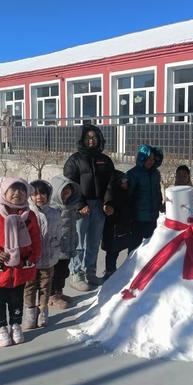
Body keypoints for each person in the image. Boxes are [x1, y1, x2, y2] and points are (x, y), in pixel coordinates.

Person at [0, 177, 41, 347]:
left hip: (20, 269)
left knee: (16, 300)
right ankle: (1, 328)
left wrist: (32, 258)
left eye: (21, 190)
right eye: (13, 190)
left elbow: (36, 240)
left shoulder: (30, 216)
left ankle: (15, 325)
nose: (17, 194)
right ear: (4, 192)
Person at [63, 124, 115, 291]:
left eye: (94, 137)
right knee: (78, 242)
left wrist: (108, 202)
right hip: (81, 207)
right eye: (88, 137)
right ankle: (76, 274)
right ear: (82, 139)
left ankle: (90, 272)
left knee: (93, 241)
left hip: (99, 206)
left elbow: (110, 184)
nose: (91, 140)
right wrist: (80, 204)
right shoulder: (74, 160)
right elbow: (69, 184)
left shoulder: (105, 160)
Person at [23, 180, 62, 328]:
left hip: (49, 256)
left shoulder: (54, 213)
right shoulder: (27, 213)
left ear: (48, 195)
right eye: (35, 194)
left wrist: (56, 246)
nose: (39, 197)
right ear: (30, 196)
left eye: (42, 193)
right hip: (30, 258)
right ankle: (30, 313)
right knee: (30, 285)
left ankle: (43, 311)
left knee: (46, 285)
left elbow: (59, 232)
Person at [49, 175, 81, 309]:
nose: (67, 193)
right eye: (64, 190)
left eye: (69, 190)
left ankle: (59, 293)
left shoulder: (70, 205)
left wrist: (81, 214)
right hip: (56, 247)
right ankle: (51, 296)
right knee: (54, 272)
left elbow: (72, 219)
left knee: (63, 272)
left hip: (67, 245)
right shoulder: (51, 208)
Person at [126, 144, 164, 252]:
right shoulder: (133, 174)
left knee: (150, 247)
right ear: (141, 158)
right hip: (138, 218)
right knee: (135, 247)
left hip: (152, 217)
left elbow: (157, 192)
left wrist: (159, 205)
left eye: (152, 159)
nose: (150, 161)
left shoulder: (155, 173)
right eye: (148, 158)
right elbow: (128, 195)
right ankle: (131, 268)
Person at [102, 170, 132, 280]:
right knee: (112, 252)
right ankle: (109, 272)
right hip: (113, 228)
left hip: (124, 227)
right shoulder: (111, 193)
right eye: (123, 180)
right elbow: (108, 205)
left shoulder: (126, 193)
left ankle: (125, 271)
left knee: (129, 249)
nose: (126, 183)